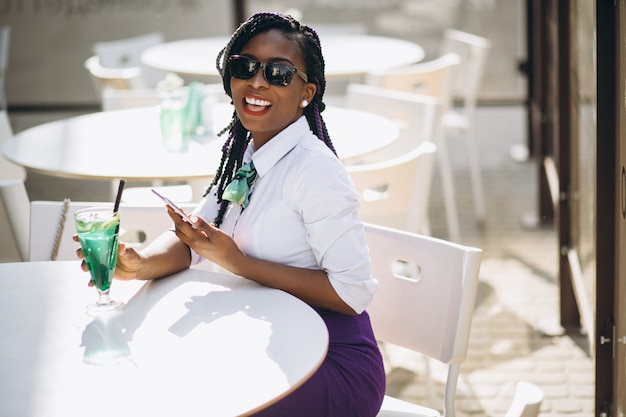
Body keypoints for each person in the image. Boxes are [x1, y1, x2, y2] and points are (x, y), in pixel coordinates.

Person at [77, 11, 385, 417]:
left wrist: (238, 263)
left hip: (330, 358)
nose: (257, 81)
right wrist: (140, 265)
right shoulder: (247, 152)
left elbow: (352, 294)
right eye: (245, 67)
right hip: (266, 337)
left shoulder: (315, 170)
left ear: (306, 93)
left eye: (278, 73)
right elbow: (196, 238)